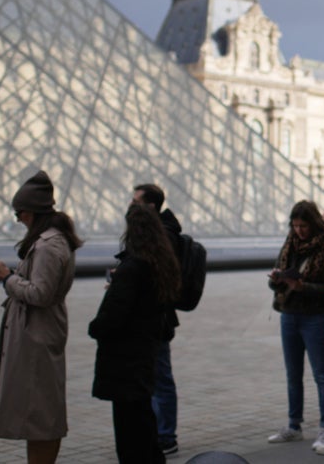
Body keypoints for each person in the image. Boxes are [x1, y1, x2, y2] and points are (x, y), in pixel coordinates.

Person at [0, 171, 82, 464]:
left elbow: (41, 293)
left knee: (41, 417)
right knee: (38, 415)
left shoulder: (49, 245)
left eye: (19, 214)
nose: (18, 220)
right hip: (37, 334)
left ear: (32, 212)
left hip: (36, 337)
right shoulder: (52, 240)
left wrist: (6, 277)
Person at [89, 203, 182, 463]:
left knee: (129, 433)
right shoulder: (160, 263)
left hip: (124, 360)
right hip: (145, 353)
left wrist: (95, 328)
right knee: (144, 423)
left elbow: (112, 316)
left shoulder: (132, 267)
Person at [267, 200, 324, 451]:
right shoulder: (290, 243)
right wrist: (277, 279)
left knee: (321, 374)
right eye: (295, 225)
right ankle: (293, 425)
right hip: (289, 314)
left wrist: (304, 287)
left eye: (303, 226)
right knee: (293, 374)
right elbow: (277, 281)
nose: (299, 231)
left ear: (313, 223)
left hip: (316, 317)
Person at [132, 183, 186, 456]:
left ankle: (166, 437)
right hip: (157, 315)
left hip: (157, 316)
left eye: (136, 202)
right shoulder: (162, 231)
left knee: (161, 377)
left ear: (150, 207)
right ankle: (158, 432)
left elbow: (157, 275)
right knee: (154, 376)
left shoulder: (163, 235)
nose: (131, 207)